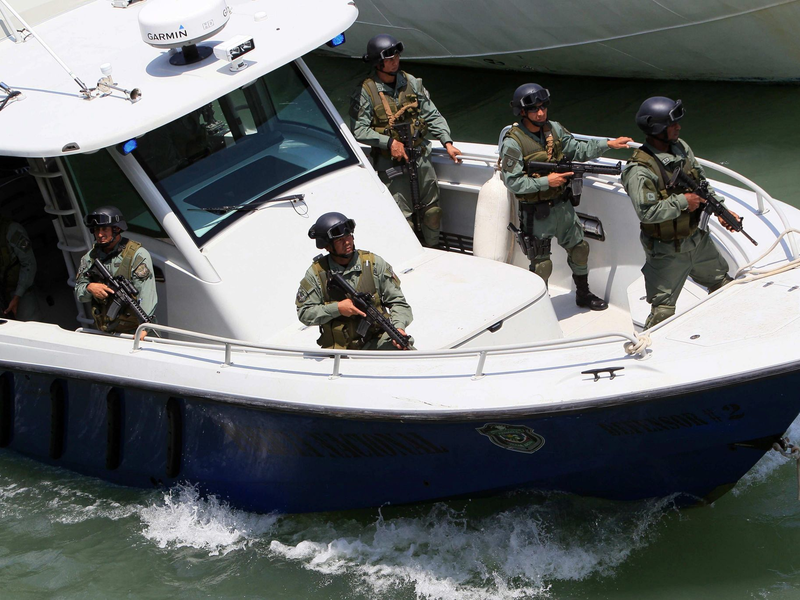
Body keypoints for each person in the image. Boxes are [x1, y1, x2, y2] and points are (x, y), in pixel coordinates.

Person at [500, 83, 633, 311]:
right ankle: (539, 308)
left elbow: (576, 148)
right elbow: (512, 182)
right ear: (522, 112)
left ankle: (583, 294)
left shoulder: (554, 129)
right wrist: (546, 181)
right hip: (536, 212)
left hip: (562, 206)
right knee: (542, 265)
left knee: (580, 249)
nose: (540, 113)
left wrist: (608, 144)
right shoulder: (514, 142)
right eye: (534, 109)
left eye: (543, 107)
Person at [621, 96, 736, 329]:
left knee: (724, 285)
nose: (678, 127)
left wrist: (721, 209)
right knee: (663, 312)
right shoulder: (639, 171)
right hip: (666, 251)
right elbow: (647, 213)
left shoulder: (681, 148)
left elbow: (701, 182)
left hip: (698, 239)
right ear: (657, 129)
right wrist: (683, 201)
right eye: (672, 124)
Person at [350, 34, 462, 248]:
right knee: (403, 219)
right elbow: (359, 129)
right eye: (389, 58)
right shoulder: (366, 91)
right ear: (378, 63)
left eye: (397, 56)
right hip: (391, 165)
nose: (395, 61)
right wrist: (389, 143)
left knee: (432, 212)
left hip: (420, 158)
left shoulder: (411, 83)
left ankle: (434, 251)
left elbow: (432, 114)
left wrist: (447, 142)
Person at [296, 212, 413, 350]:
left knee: (405, 350)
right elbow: (305, 313)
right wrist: (338, 308)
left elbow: (398, 302)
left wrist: (399, 327)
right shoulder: (317, 274)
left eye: (349, 236)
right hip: (339, 349)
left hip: (377, 339)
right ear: (327, 246)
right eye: (340, 240)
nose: (347, 242)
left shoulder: (373, 264)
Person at [74, 206, 157, 337]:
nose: (100, 234)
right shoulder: (89, 258)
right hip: (106, 331)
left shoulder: (137, 255)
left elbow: (147, 294)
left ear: (116, 229)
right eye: (96, 230)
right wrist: (89, 288)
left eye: (104, 229)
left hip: (135, 330)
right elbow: (80, 293)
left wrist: (144, 329)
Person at [0, 215, 40, 320]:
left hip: (21, 292)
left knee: (31, 329)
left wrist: (17, 296)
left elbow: (29, 263)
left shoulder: (12, 230)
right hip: (3, 295)